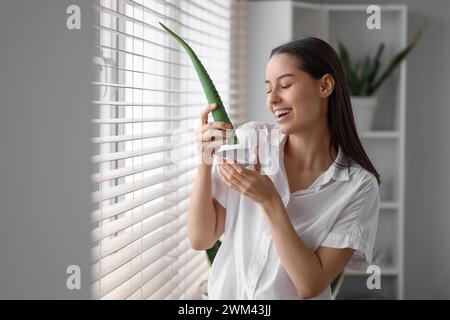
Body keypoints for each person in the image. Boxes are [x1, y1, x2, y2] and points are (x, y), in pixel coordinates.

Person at [188, 37, 381, 300]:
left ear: (324, 85)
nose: (273, 99)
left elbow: (310, 284)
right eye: (268, 89)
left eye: (286, 85)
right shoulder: (250, 141)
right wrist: (204, 162)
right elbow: (202, 238)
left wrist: (270, 201)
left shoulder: (358, 187)